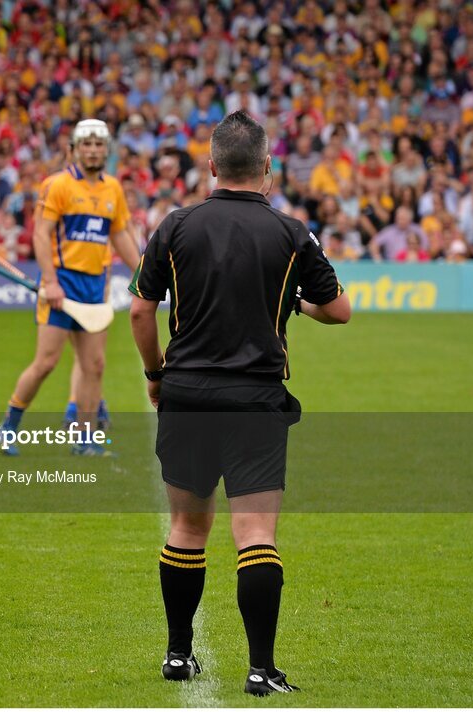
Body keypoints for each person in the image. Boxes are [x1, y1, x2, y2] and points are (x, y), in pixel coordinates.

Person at [128, 111, 350, 694]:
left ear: (211, 167)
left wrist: (155, 375)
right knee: (255, 533)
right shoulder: (291, 232)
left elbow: (138, 309)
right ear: (268, 170)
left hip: (187, 394)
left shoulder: (175, 225)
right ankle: (262, 668)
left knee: (186, 525)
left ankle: (178, 655)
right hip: (255, 399)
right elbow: (340, 309)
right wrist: (295, 304)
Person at [0, 118, 140, 456]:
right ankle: (7, 427)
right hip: (62, 284)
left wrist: (143, 273)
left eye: (98, 144)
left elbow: (120, 235)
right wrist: (50, 281)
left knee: (94, 366)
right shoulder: (57, 185)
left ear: (107, 150)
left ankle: (85, 440)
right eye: (86, 145)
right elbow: (40, 234)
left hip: (95, 288)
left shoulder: (113, 189)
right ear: (72, 150)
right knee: (46, 362)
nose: (92, 151)